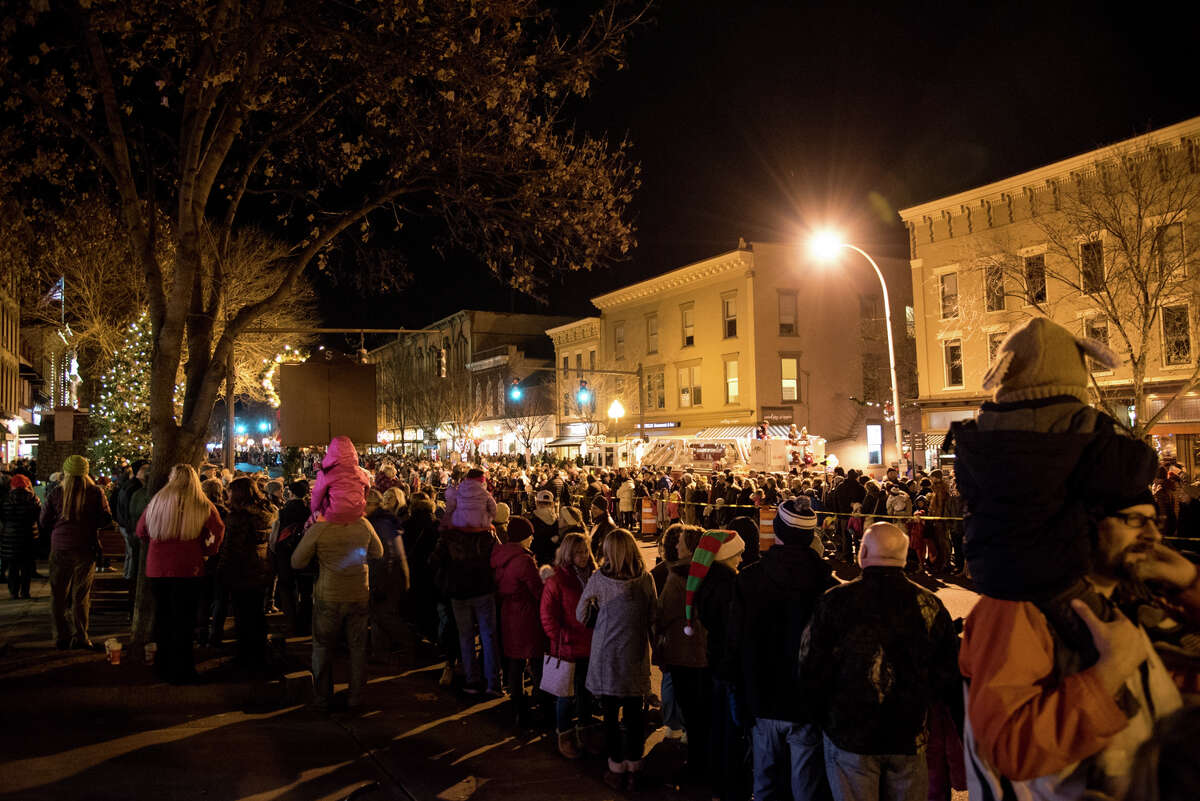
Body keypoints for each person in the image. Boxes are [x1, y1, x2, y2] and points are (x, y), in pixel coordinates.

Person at [959, 493, 1198, 800]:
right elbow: (1011, 748)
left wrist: (1190, 586)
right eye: (1135, 520)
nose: (1153, 535)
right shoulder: (1017, 606)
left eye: (1155, 521)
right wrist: (1108, 674)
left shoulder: (1138, 602)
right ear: (1086, 525)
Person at [799, 523, 961, 801]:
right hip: (908, 734)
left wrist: (820, 717)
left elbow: (810, 667)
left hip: (850, 734)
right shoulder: (929, 604)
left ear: (863, 552)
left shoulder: (835, 601)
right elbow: (948, 672)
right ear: (904, 554)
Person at [730, 499, 836, 801]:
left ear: (777, 531)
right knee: (806, 785)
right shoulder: (829, 586)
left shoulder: (749, 579)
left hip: (761, 697)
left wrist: (735, 687)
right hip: (807, 702)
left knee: (763, 783)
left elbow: (734, 641)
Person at [577, 528, 657, 791]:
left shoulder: (599, 579)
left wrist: (598, 612)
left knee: (610, 718)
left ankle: (615, 767)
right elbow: (653, 616)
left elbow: (581, 613)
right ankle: (635, 766)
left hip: (606, 658)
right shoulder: (645, 579)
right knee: (634, 717)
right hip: (633, 657)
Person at [137, 464, 225, 684]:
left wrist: (157, 544)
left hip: (157, 567)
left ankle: (162, 665)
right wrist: (207, 551)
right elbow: (218, 530)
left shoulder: (157, 502)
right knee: (184, 620)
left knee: (163, 617)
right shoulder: (202, 504)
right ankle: (183, 668)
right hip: (189, 567)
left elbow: (141, 531)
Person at [291, 506, 383, 711]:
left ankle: (323, 697)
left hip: (329, 595)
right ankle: (355, 696)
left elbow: (297, 561)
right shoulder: (363, 524)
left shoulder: (321, 527)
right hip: (359, 593)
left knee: (323, 647)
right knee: (358, 648)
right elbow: (378, 551)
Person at [686, 527, 748, 801]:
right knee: (731, 729)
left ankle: (719, 780)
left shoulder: (708, 581)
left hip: (715, 660)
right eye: (738, 554)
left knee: (718, 723)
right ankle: (729, 784)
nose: (742, 559)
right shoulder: (730, 586)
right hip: (728, 664)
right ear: (727, 555)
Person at [653, 523, 711, 787]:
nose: (677, 546)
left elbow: (663, 614)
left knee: (689, 703)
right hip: (703, 652)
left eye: (682, 543)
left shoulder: (677, 577)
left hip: (681, 652)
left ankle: (695, 763)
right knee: (701, 708)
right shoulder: (711, 574)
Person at [41, 455, 111, 650]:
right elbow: (106, 518)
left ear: (66, 473)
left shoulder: (56, 492)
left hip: (60, 547)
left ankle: (61, 636)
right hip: (85, 547)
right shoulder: (95, 492)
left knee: (57, 594)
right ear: (86, 472)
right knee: (80, 596)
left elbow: (44, 520)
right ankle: (81, 636)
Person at [428, 513, 502, 696]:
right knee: (488, 636)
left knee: (466, 636)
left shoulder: (448, 535)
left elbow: (434, 561)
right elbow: (498, 556)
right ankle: (493, 683)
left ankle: (472, 681)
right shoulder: (487, 534)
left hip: (458, 591)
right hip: (483, 589)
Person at [541, 532, 599, 759]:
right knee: (565, 695)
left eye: (585, 551)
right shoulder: (558, 580)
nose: (583, 556)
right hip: (569, 646)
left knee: (586, 693)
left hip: (591, 644)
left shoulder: (595, 576)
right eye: (578, 552)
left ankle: (585, 732)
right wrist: (561, 637)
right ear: (568, 553)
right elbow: (547, 615)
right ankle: (564, 734)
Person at [490, 516, 547, 727]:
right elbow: (538, 591)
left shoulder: (499, 556)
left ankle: (517, 702)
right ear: (524, 536)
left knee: (514, 661)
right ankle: (539, 701)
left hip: (508, 613)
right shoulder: (524, 561)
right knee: (535, 658)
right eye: (530, 535)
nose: (532, 539)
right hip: (526, 615)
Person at [217, 477, 276, 673]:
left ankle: (246, 655)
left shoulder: (239, 517)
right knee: (256, 612)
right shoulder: (266, 513)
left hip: (242, 570)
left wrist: (222, 570)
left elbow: (232, 547)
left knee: (243, 614)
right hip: (261, 567)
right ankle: (259, 651)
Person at [272, 479, 314, 636]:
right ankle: (306, 622)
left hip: (285, 554)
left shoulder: (283, 512)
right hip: (305, 553)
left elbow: (274, 536)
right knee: (306, 590)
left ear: (291, 493)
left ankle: (291, 623)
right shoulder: (309, 511)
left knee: (287, 589)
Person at [310, 435, 372, 524]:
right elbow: (367, 488)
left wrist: (314, 511)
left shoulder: (326, 473)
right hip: (357, 513)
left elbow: (316, 496)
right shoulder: (361, 472)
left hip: (333, 515)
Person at [1, 474, 41, 599]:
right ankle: (25, 591)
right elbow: (38, 516)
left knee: (12, 567)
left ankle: (13, 592)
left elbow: (3, 517)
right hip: (28, 536)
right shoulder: (33, 498)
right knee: (26, 567)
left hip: (10, 537)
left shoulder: (6, 499)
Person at [530, 490, 560, 567]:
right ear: (552, 504)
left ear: (537, 503)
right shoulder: (558, 520)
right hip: (553, 558)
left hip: (536, 558)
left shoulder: (531, 519)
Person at [588, 494, 616, 561]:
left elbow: (604, 549)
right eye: (591, 507)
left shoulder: (607, 524)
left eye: (595, 508)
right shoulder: (598, 521)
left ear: (602, 509)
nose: (592, 510)